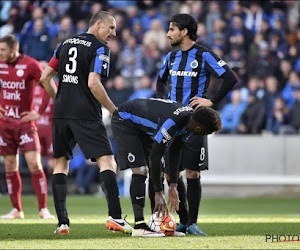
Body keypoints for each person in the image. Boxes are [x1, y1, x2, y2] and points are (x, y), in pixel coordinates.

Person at [39, 11, 133, 235]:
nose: (114, 33)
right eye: (111, 28)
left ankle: (62, 222)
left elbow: (45, 77)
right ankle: (116, 218)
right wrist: (113, 110)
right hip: (85, 113)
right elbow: (94, 83)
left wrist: (60, 100)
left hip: (61, 113)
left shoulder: (65, 43)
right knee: (107, 161)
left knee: (60, 164)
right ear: (98, 24)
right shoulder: (100, 48)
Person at [156, 14, 237, 235]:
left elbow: (229, 77)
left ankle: (192, 222)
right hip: (172, 123)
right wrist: (163, 101)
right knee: (172, 173)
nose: (168, 33)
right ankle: (182, 220)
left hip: (195, 123)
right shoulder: (171, 57)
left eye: (172, 29)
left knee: (193, 173)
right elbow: (160, 80)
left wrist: (210, 101)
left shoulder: (203, 55)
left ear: (184, 31)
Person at [111, 98, 222, 237]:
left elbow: (175, 151)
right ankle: (139, 226)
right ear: (199, 128)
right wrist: (159, 193)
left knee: (156, 170)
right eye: (207, 132)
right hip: (125, 119)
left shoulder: (189, 121)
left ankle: (155, 225)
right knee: (141, 170)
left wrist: (173, 185)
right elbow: (155, 157)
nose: (205, 136)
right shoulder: (172, 123)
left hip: (141, 125)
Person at [0, 34, 54, 219]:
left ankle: (43, 208)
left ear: (14, 49)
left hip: (25, 124)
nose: (0, 53)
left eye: (3, 50)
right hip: (5, 125)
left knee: (34, 163)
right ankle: (17, 210)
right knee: (10, 165)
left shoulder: (30, 64)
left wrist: (38, 112)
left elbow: (47, 83)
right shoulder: (0, 63)